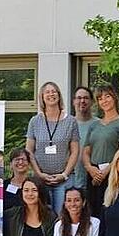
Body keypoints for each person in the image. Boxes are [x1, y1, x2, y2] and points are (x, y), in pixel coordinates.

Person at [26, 82, 80, 212]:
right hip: (41, 179)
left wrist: (64, 174)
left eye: (54, 91)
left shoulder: (71, 121)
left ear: (59, 95)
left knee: (63, 215)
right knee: (43, 215)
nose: (51, 94)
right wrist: (39, 174)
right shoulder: (35, 121)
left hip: (64, 179)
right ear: (42, 97)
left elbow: (75, 151)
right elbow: (29, 151)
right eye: (47, 92)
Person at [82, 84, 119, 217]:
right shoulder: (94, 125)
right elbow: (86, 151)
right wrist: (90, 168)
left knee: (108, 211)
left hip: (113, 173)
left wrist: (105, 172)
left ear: (114, 98)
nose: (104, 100)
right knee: (92, 211)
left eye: (107, 96)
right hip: (93, 174)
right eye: (100, 98)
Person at [72, 86, 98, 189]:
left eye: (86, 98)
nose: (82, 101)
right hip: (70, 181)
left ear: (92, 101)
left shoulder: (99, 124)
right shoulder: (67, 124)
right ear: (73, 101)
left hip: (93, 181)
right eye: (79, 98)